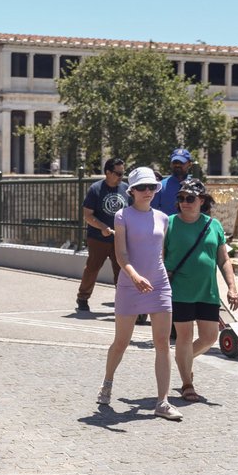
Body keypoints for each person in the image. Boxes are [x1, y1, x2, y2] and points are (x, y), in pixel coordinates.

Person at [97, 167, 183, 421]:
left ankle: (163, 402)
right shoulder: (122, 216)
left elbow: (159, 253)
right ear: (131, 190)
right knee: (121, 342)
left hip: (158, 284)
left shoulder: (163, 218)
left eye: (152, 187)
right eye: (142, 188)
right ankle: (107, 381)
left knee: (163, 343)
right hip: (129, 284)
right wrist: (134, 276)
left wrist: (158, 277)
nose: (148, 191)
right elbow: (121, 254)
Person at [164, 178, 238, 402]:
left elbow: (223, 259)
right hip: (180, 291)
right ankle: (187, 384)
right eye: (180, 198)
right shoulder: (168, 224)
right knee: (184, 337)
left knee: (209, 338)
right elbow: (158, 257)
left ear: (202, 200)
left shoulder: (213, 225)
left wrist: (232, 287)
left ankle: (183, 360)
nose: (184, 203)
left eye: (190, 198)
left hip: (207, 291)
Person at [76, 158, 129, 312]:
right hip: (98, 238)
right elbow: (87, 215)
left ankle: (123, 300)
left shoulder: (126, 189)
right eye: (118, 173)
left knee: (121, 271)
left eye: (122, 173)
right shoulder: (96, 189)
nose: (121, 177)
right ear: (108, 172)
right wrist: (102, 227)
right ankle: (83, 297)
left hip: (119, 239)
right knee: (92, 268)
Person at [151, 147, 193, 215]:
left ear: (190, 164)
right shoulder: (161, 186)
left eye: (181, 163)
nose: (177, 165)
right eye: (175, 162)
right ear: (171, 164)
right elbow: (153, 211)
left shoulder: (196, 186)